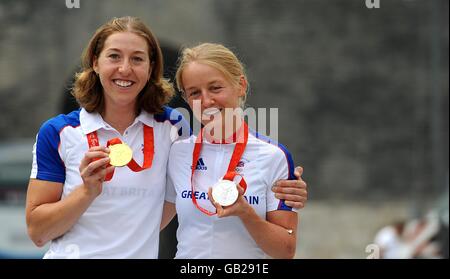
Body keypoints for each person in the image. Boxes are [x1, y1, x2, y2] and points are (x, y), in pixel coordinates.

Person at [25, 17, 307, 259]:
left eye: (137, 59)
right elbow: (38, 234)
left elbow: (218, 157)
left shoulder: (172, 128)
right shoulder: (57, 132)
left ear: (150, 69)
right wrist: (86, 192)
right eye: (114, 56)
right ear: (95, 62)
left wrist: (288, 188)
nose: (125, 69)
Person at [162, 43, 300, 258]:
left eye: (215, 88)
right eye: (195, 92)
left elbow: (285, 250)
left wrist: (246, 214)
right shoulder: (177, 153)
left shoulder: (274, 156)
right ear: (187, 99)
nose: (207, 101)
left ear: (241, 85)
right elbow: (148, 222)